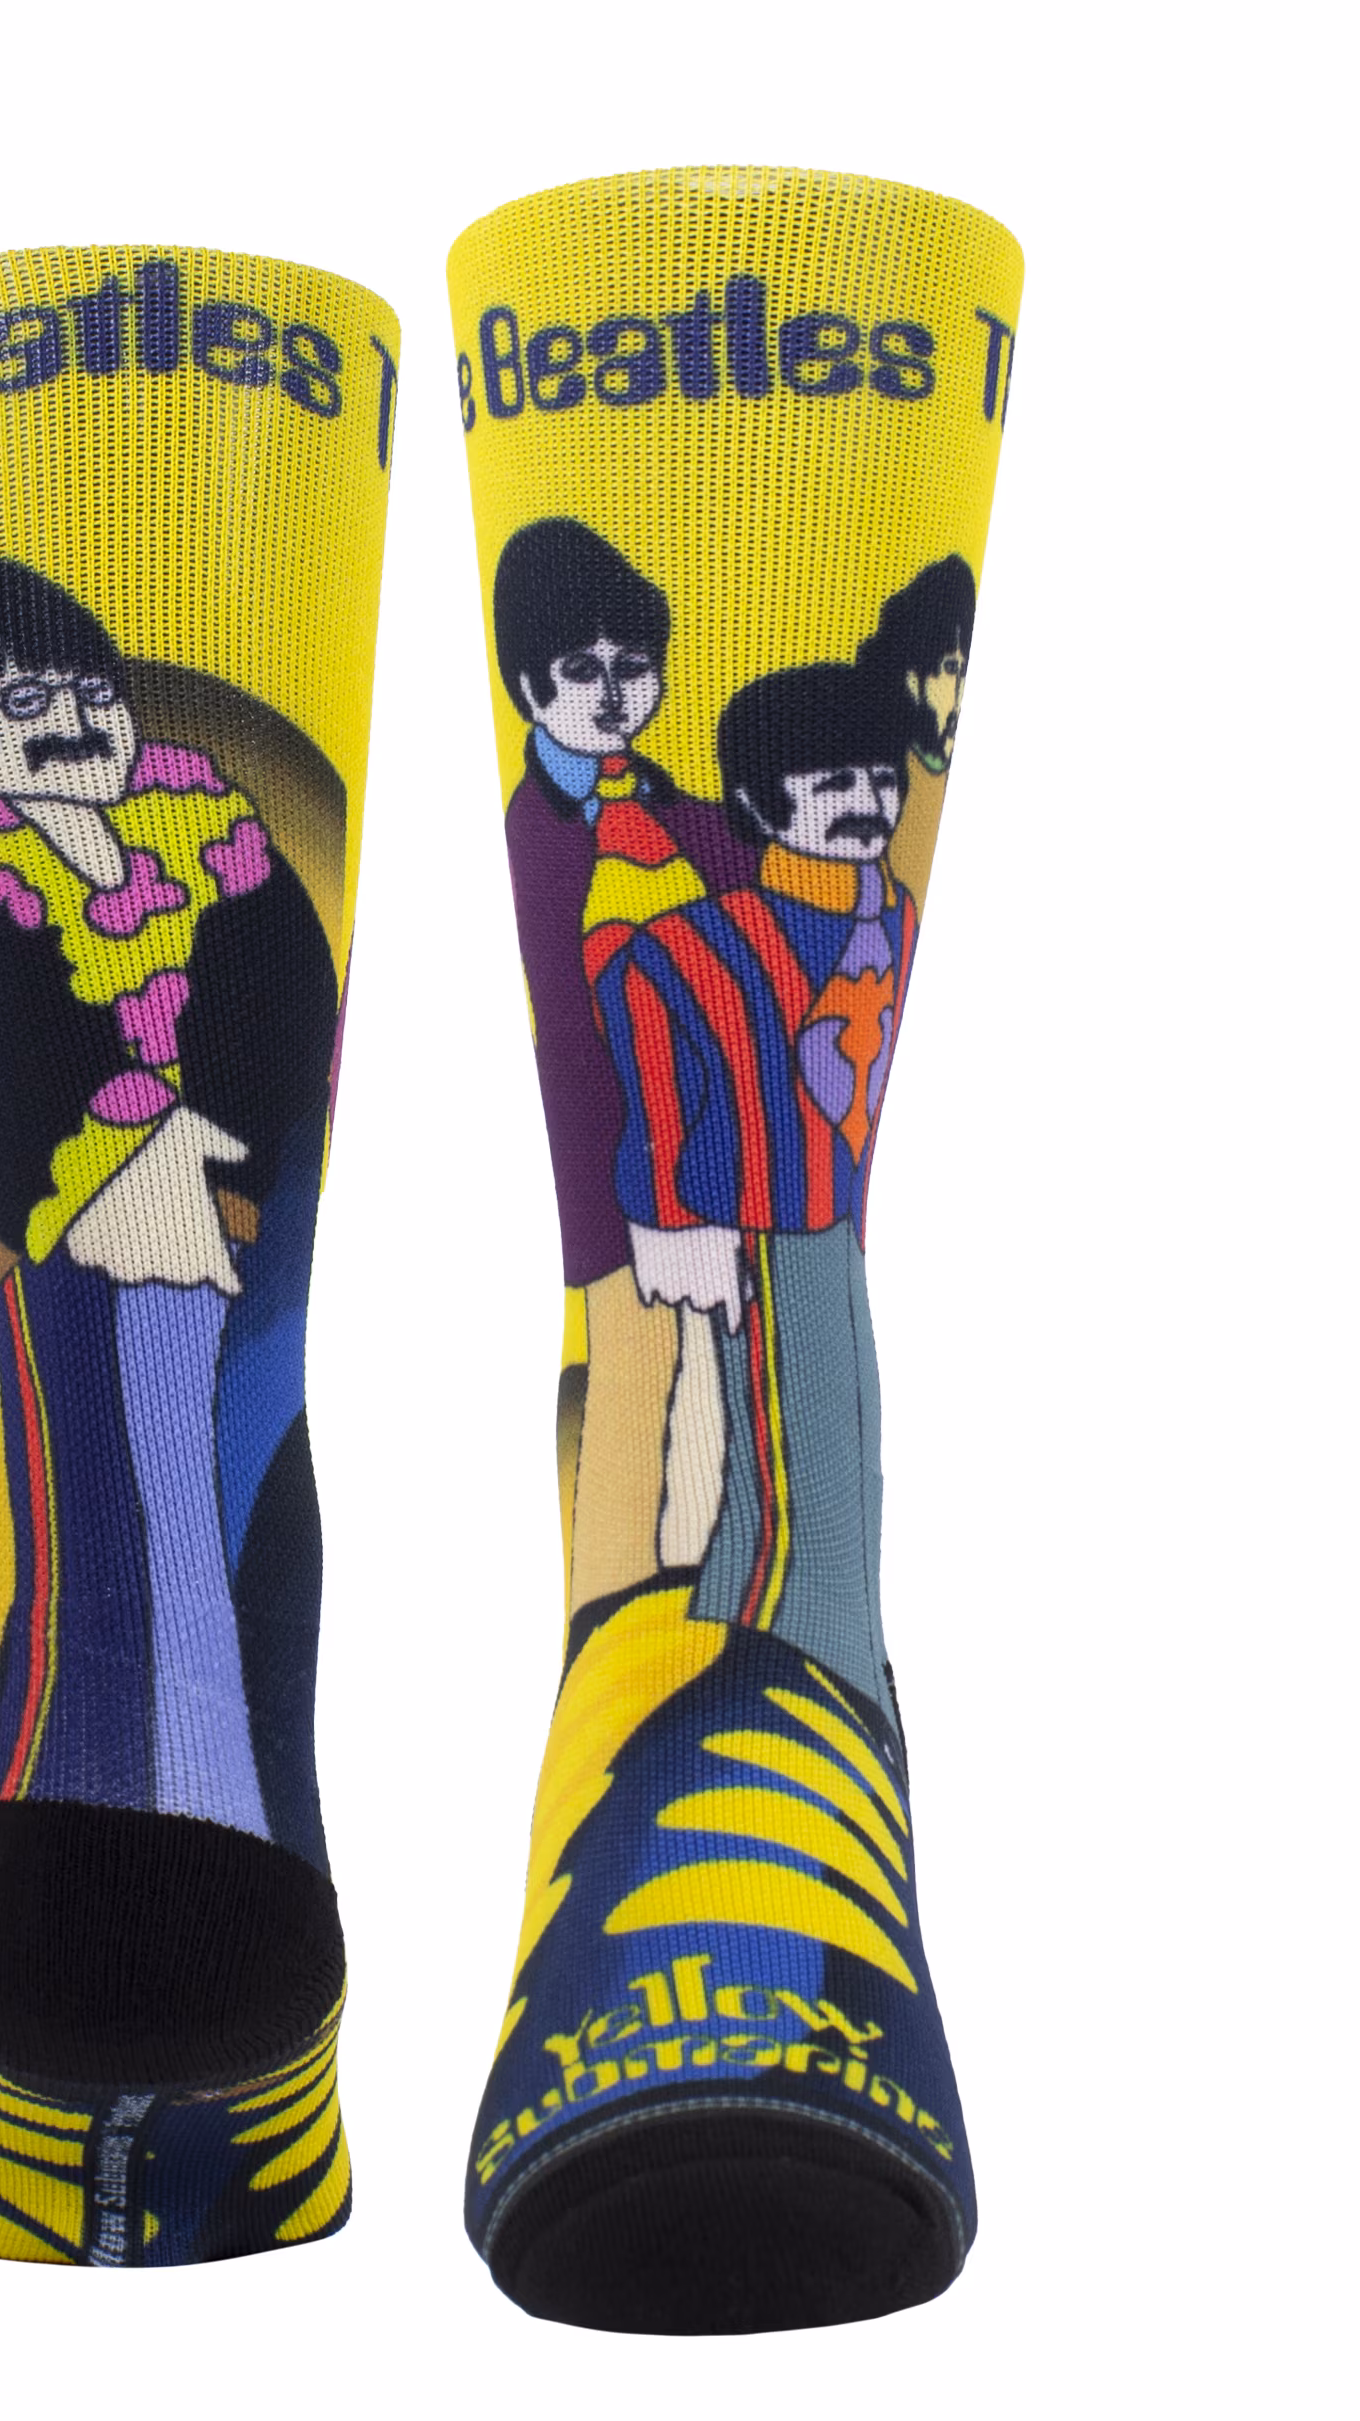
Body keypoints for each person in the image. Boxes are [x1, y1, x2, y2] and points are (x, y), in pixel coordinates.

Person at [0, 556, 337, 1838]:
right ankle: (137, 1791)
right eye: (29, 702)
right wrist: (124, 1163)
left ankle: (219, 1793)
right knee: (95, 1505)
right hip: (66, 1256)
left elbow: (283, 985)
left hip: (216, 1225)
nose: (78, 722)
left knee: (205, 1481)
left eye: (91, 691)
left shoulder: (204, 824)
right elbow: (7, 1058)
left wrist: (216, 1156)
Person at [590, 660, 921, 1707]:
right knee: (779, 1427)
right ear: (763, 806)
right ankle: (784, 1638)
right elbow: (646, 1032)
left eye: (883, 780)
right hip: (753, 1222)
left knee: (826, 1419)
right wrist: (667, 1213)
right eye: (835, 786)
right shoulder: (699, 946)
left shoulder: (893, 914)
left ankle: (773, 1626)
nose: (869, 805)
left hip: (824, 1213)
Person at [491, 519, 760, 1620]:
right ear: (527, 685)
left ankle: (701, 1611)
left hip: (708, 1146)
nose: (612, 695)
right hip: (624, 1159)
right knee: (630, 1371)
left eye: (633, 668)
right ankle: (625, 1623)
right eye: (581, 671)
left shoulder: (659, 804)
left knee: (710, 1373)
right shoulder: (549, 823)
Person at [856, 553, 976, 905]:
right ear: (911, 678)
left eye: (964, 670)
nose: (958, 691)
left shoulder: (936, 771)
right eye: (950, 668)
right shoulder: (876, 773)